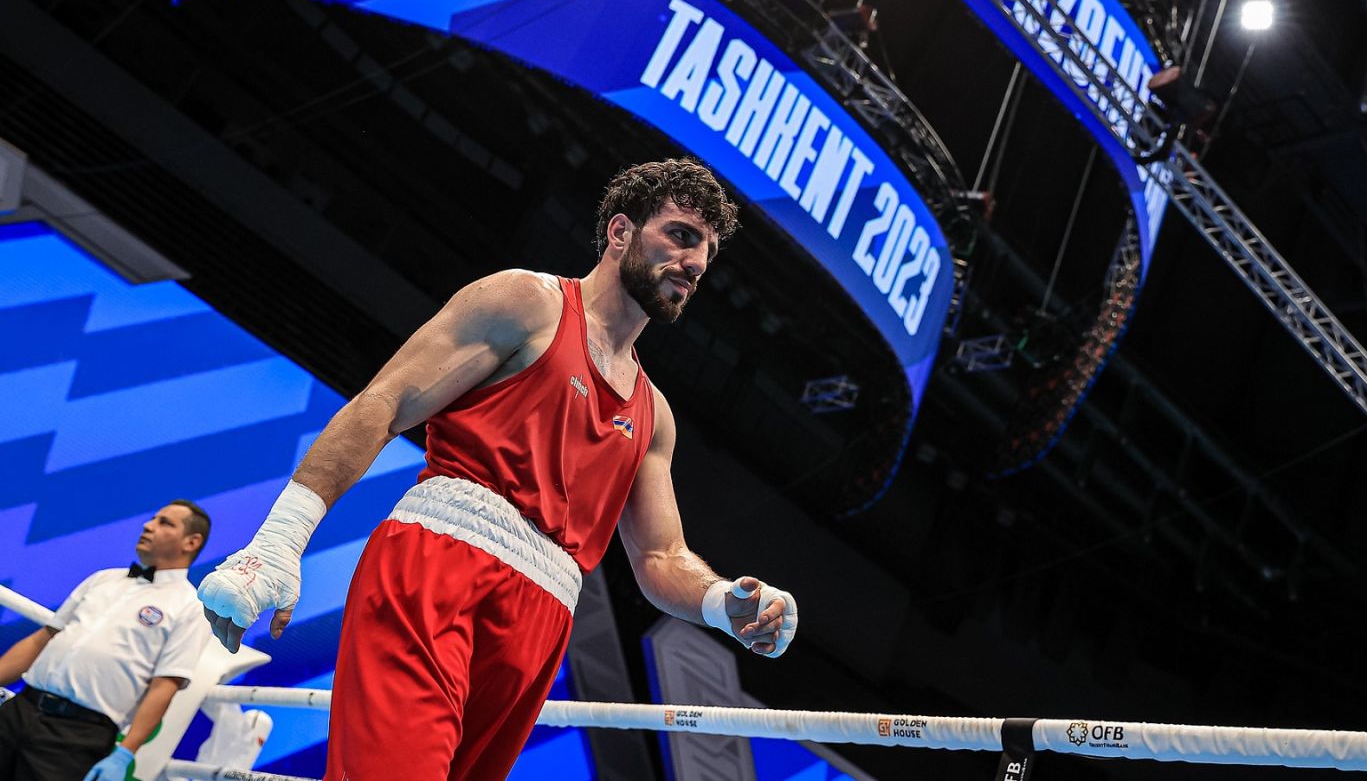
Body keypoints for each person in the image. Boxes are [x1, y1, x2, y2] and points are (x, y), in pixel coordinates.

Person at [197, 157, 798, 780]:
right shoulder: (527, 302)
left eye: (707, 251)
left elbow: (659, 557)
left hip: (541, 622)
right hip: (442, 568)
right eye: (681, 235)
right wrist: (279, 541)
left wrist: (724, 601)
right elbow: (386, 403)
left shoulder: (654, 416)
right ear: (620, 232)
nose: (696, 263)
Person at [0, 501, 213, 781]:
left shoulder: (191, 607)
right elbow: (42, 640)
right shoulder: (103, 579)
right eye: (152, 519)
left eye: (165, 523)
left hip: (78, 736)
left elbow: (165, 685)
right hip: (19, 709)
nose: (148, 526)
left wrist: (126, 752)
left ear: (191, 542)